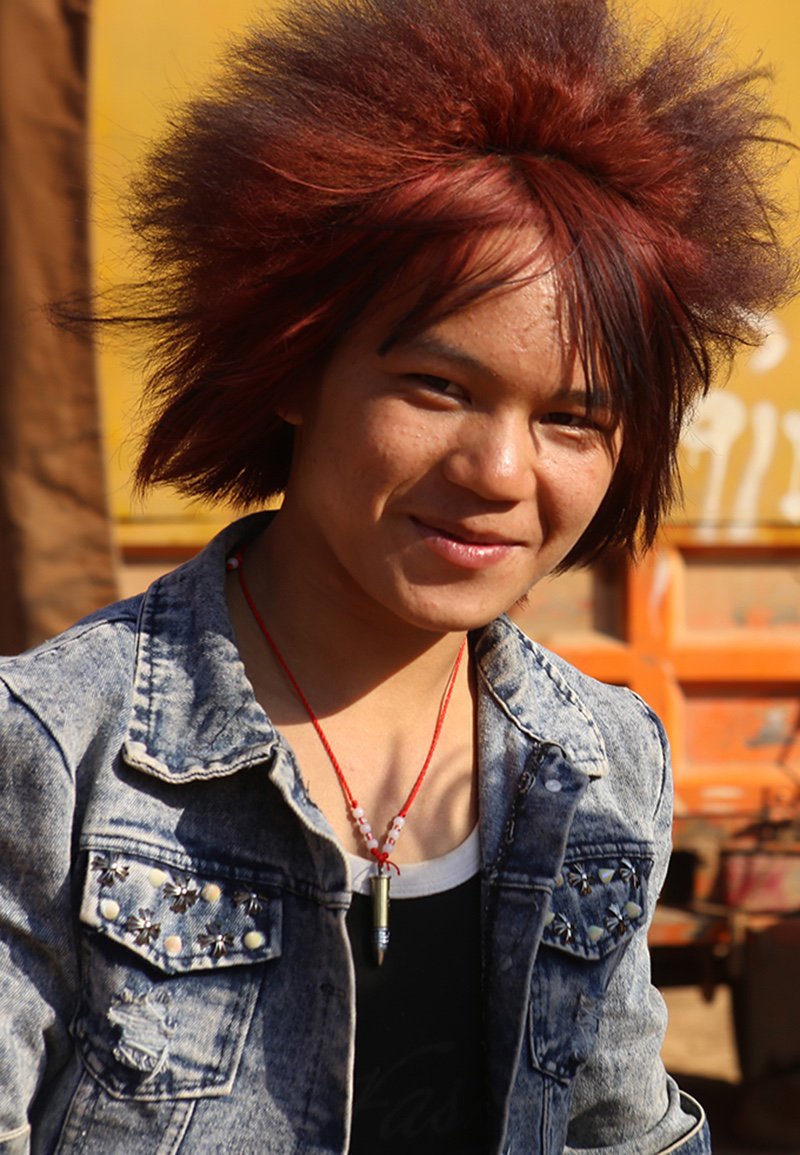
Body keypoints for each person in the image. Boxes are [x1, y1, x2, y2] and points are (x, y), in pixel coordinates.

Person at [0, 0, 795, 1150]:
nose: (499, 472)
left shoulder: (601, 763)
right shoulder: (51, 756)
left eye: (572, 418)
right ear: (293, 366)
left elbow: (616, 1131)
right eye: (438, 387)